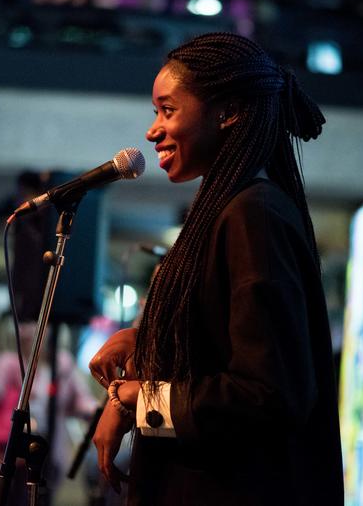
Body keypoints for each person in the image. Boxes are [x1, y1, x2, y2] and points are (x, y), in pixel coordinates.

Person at [89, 32, 344, 505]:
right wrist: (147, 340)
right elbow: (223, 343)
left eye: (168, 110)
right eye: (154, 112)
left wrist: (138, 401)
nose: (151, 131)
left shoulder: (254, 214)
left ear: (228, 113)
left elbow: (268, 393)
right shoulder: (234, 208)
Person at [0, 319, 97, 504]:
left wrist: (99, 409)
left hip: (49, 449)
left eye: (33, 324)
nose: (26, 330)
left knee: (43, 497)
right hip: (12, 449)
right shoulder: (9, 362)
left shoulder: (62, 363)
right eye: (23, 324)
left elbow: (80, 399)